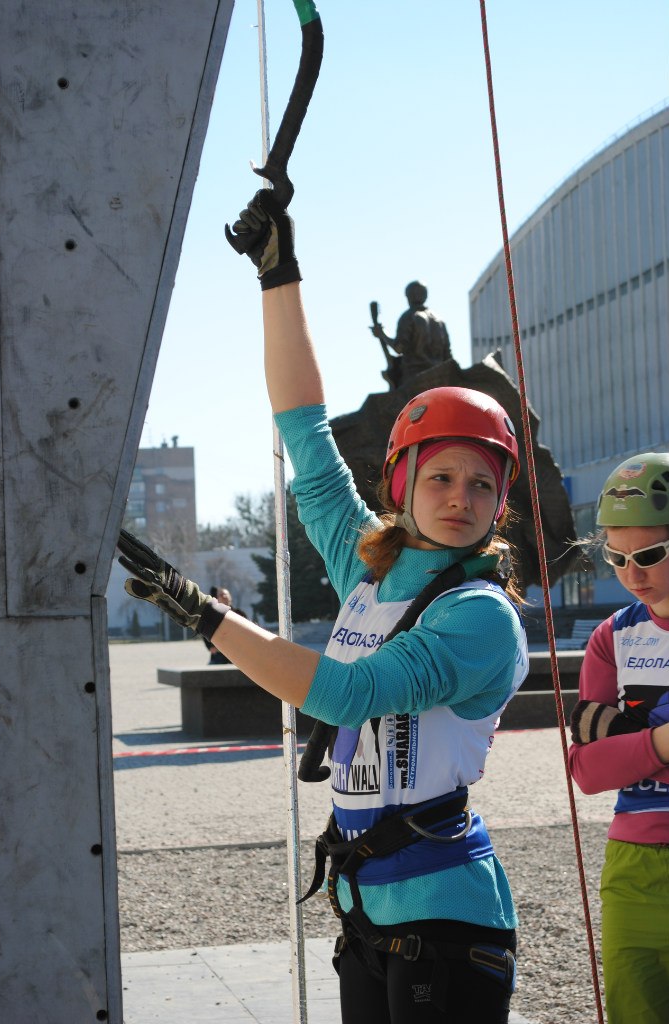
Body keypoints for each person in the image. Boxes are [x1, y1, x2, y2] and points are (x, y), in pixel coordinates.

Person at [117, 188, 529, 1023]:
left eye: (481, 485)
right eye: (440, 477)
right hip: (366, 910)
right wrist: (281, 277)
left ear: (500, 503)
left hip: (446, 918)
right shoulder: (371, 570)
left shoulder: (482, 616)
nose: (459, 498)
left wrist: (205, 615)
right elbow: (303, 434)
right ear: (402, 483)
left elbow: (343, 693)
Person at [568, 453, 669, 1024]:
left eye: (650, 555)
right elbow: (586, 770)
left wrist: (629, 744)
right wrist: (661, 746)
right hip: (632, 864)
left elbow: (607, 755)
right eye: (616, 557)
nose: (631, 574)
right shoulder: (614, 637)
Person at [371, 281, 452, 387]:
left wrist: (382, 334)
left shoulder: (408, 317)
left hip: (414, 379)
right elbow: (448, 357)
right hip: (439, 380)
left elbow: (399, 348)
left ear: (408, 296)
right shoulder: (439, 321)